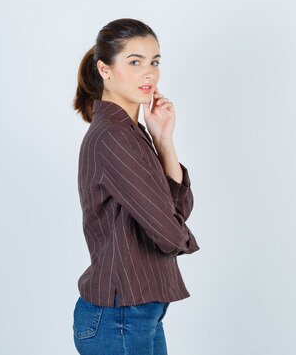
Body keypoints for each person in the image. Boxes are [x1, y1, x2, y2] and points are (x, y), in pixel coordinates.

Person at [71, 18, 200, 355]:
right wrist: (179, 234)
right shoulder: (113, 137)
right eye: (135, 62)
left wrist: (163, 140)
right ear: (105, 70)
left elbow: (176, 210)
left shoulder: (131, 133)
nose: (149, 73)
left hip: (136, 315)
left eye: (154, 61)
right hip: (119, 318)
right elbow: (169, 232)